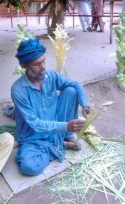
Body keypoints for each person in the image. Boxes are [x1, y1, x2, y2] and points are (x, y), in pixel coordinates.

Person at [11, 38, 90, 176]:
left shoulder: (50, 76)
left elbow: (76, 84)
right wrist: (66, 126)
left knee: (71, 90)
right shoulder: (18, 90)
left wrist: (85, 104)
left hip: (55, 125)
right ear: (24, 66)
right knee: (29, 167)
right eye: (37, 64)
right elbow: (35, 124)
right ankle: (60, 144)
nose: (43, 68)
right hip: (34, 136)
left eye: (43, 61)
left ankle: (63, 137)